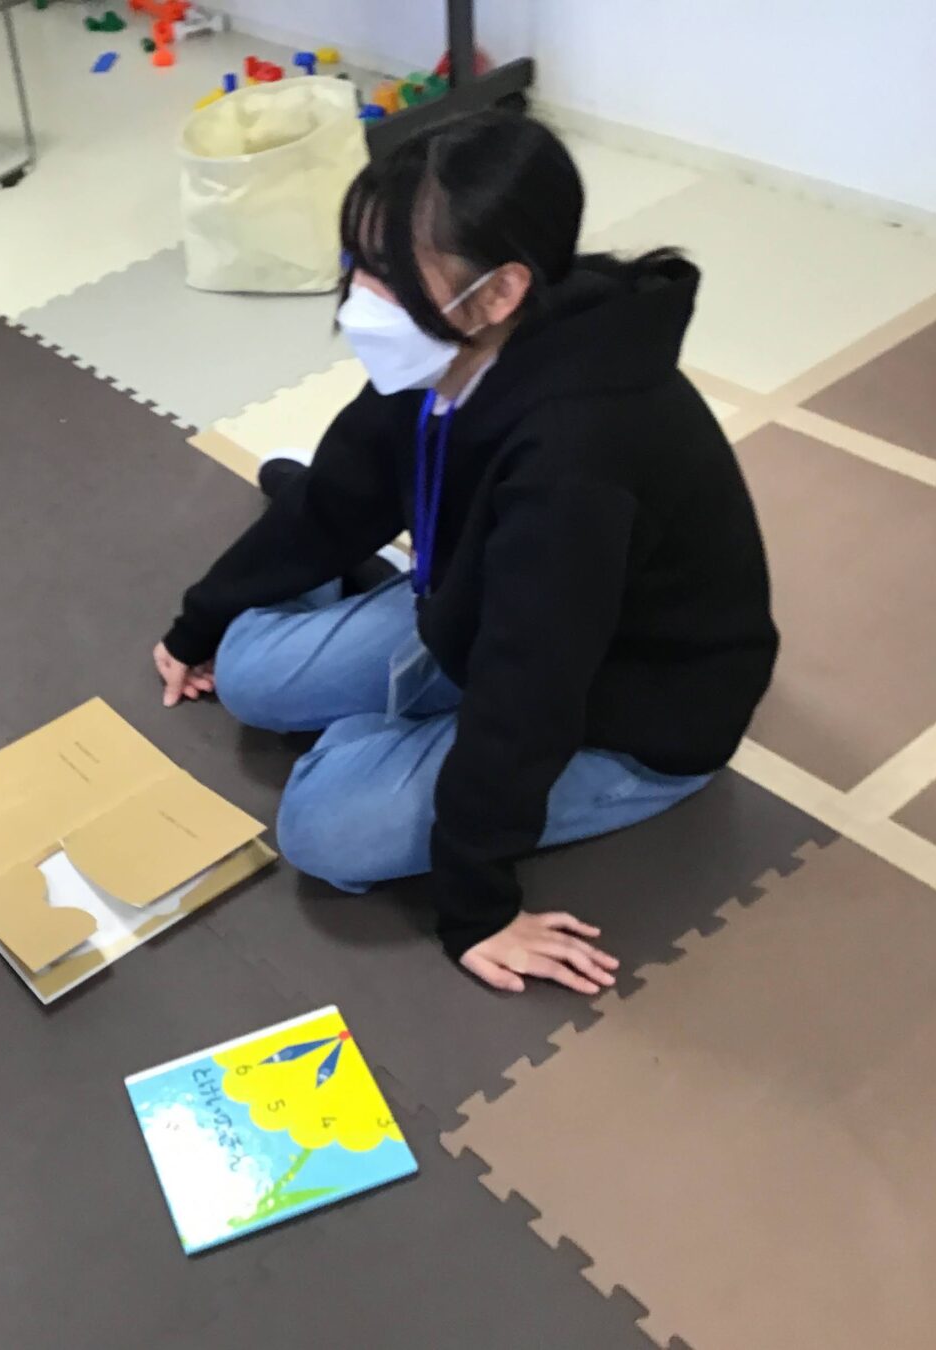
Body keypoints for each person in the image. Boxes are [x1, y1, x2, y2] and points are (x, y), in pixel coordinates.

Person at [153, 113, 778, 997]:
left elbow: (533, 689)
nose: (359, 297)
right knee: (247, 673)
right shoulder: (448, 349)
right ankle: (395, 712)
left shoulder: (577, 461)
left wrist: (478, 907)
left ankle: (393, 730)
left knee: (322, 828)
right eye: (359, 261)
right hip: (476, 606)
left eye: (388, 274)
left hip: (625, 714)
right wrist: (198, 623)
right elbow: (341, 495)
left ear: (500, 291)